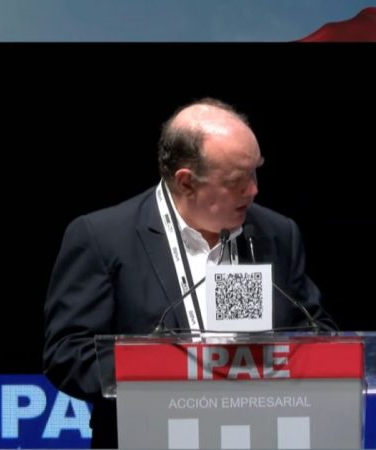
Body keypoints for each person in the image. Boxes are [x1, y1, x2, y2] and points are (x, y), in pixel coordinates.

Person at [43, 97, 336, 448]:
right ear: (186, 182)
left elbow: (319, 334)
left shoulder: (276, 233)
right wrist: (175, 371)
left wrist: (272, 364)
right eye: (237, 180)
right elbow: (68, 354)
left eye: (255, 171)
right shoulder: (104, 238)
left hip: (259, 435)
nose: (254, 189)